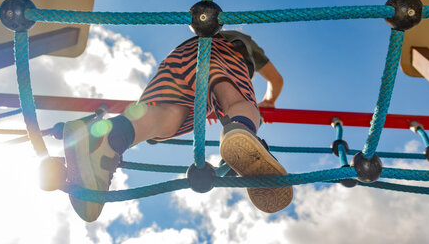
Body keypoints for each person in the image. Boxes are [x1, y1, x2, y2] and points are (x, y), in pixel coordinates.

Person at [63, 30, 292, 222]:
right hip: (224, 53)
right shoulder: (242, 43)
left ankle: (108, 139)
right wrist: (269, 101)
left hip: (180, 59)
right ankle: (242, 130)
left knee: (170, 117)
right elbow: (276, 80)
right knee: (236, 101)